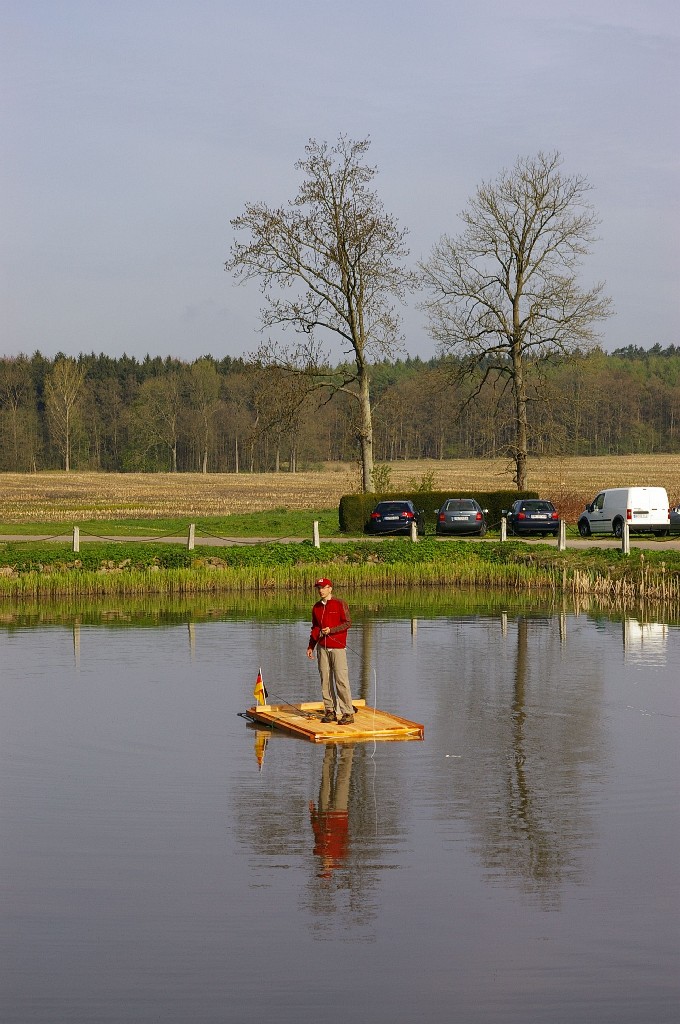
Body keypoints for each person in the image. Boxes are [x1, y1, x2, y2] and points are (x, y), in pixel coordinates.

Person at [306, 577, 355, 724]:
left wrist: (331, 630)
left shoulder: (340, 604)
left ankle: (348, 713)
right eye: (319, 588)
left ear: (330, 588)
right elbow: (314, 628)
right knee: (325, 680)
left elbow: (348, 623)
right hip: (322, 648)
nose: (321, 590)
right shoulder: (316, 607)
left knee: (341, 680)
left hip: (338, 648)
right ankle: (330, 711)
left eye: (323, 587)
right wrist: (311, 646)